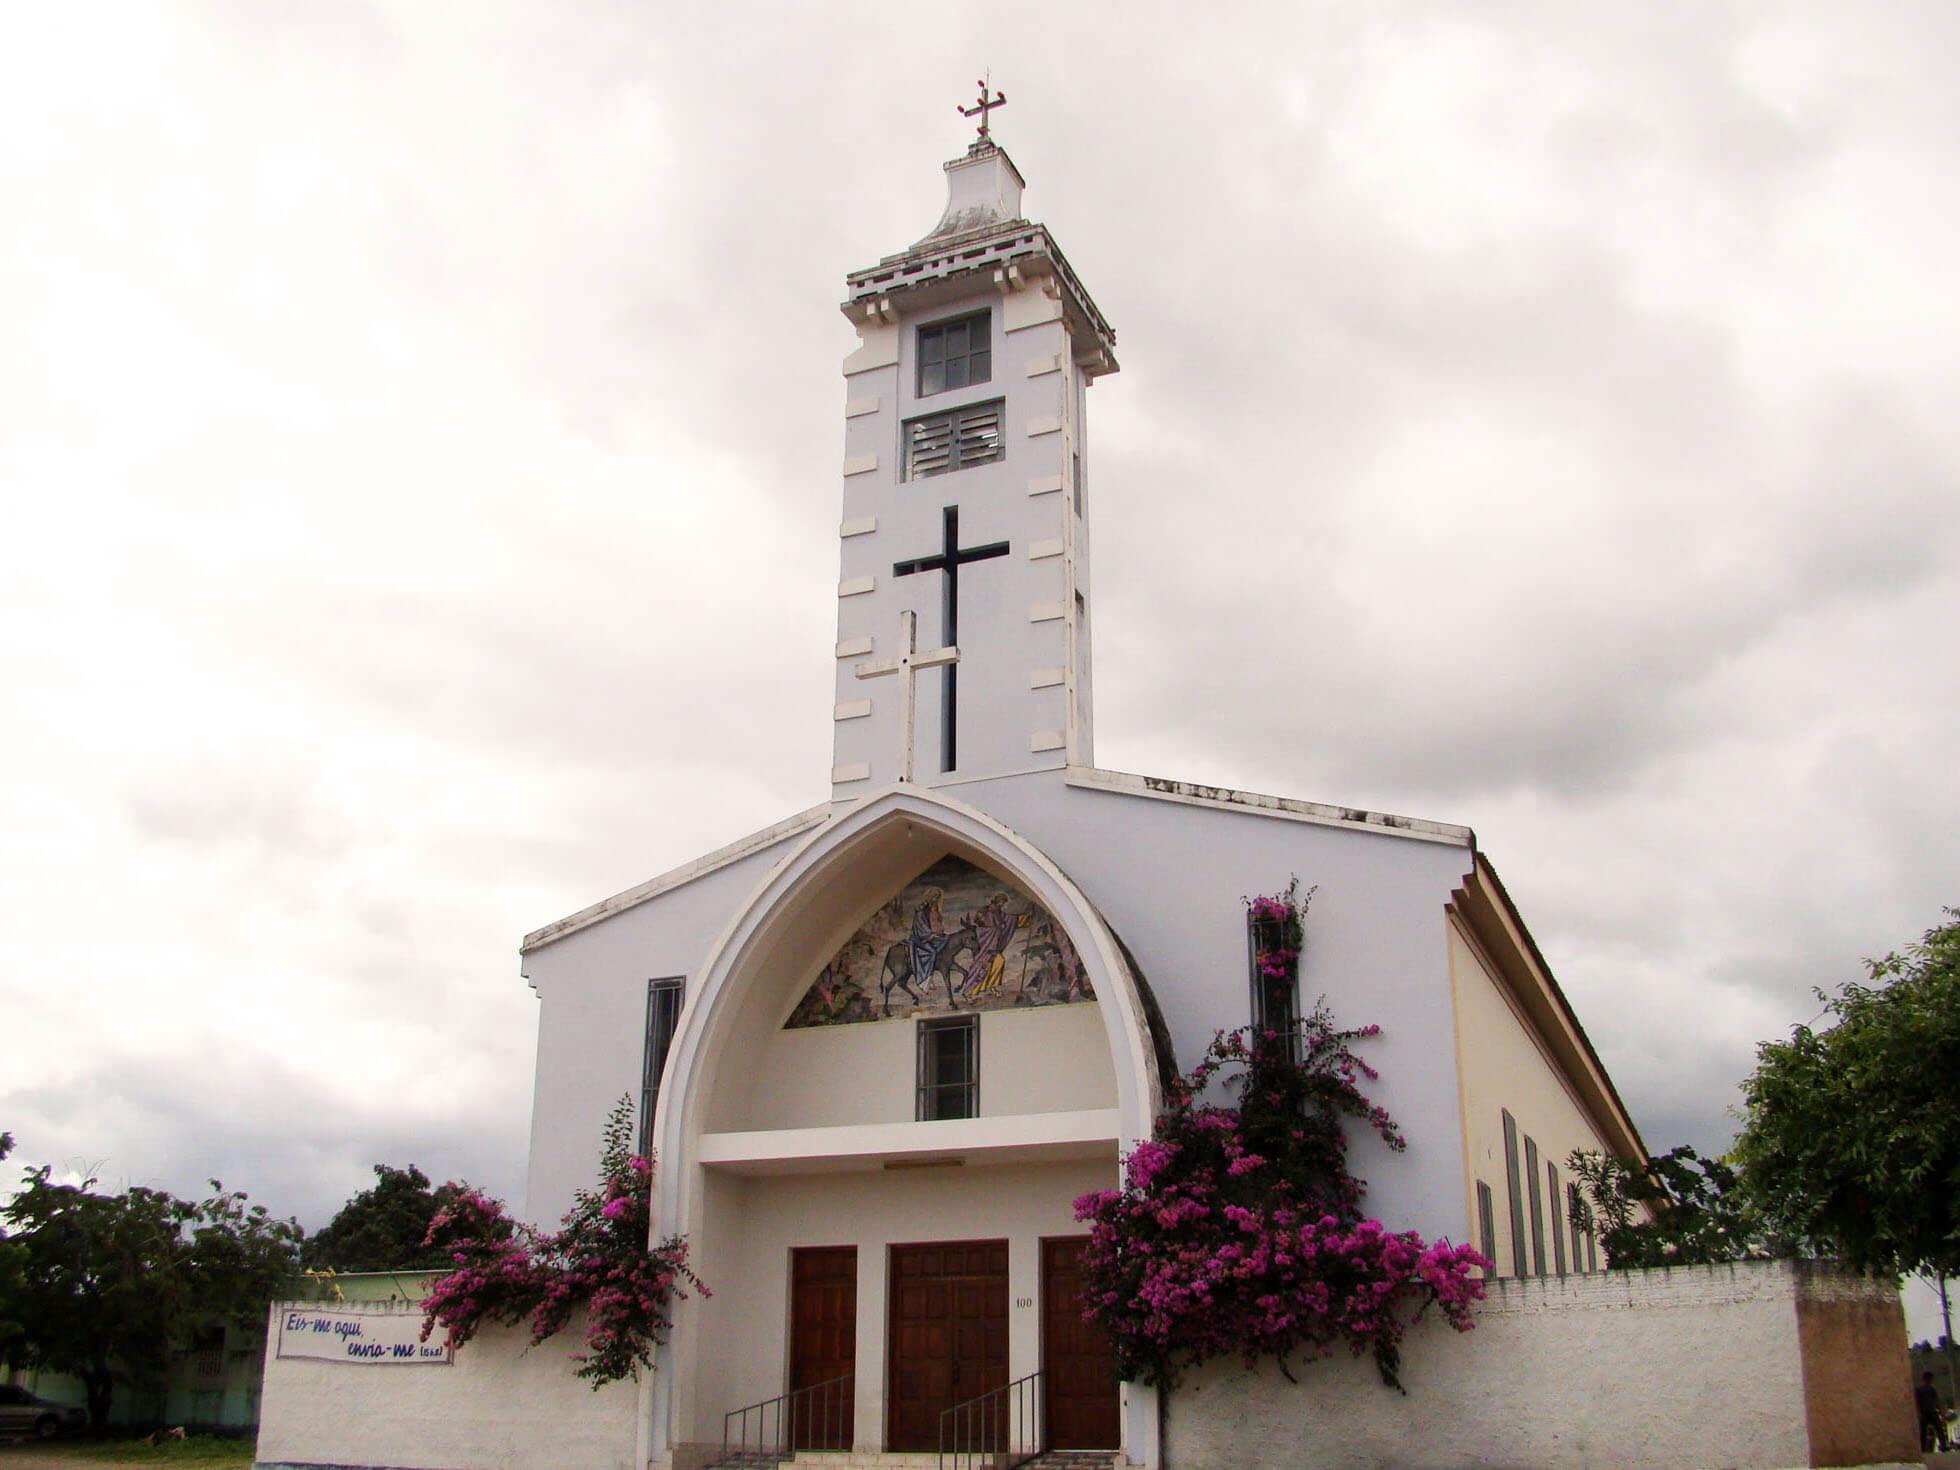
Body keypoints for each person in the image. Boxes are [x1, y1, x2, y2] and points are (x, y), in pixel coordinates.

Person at [1916, 1371, 1950, 1453]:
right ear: (1925, 1379)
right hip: (1925, 1413)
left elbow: (1937, 1401)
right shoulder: (1919, 1389)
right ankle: (1923, 1448)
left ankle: (1942, 1446)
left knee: (1939, 1429)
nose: (1930, 1381)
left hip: (1931, 1412)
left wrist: (1941, 1413)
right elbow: (1916, 1402)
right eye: (1929, 1379)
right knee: (1924, 1432)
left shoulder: (1931, 1389)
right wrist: (1918, 1413)